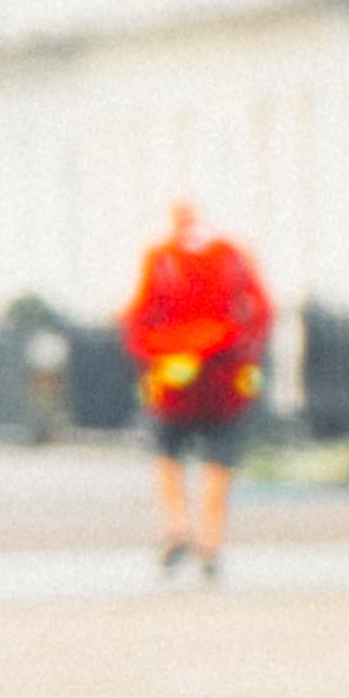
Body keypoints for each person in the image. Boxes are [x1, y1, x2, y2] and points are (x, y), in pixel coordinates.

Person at [122, 203, 273, 580]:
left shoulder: (162, 259)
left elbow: (138, 317)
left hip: (174, 381)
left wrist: (156, 355)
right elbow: (261, 310)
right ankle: (210, 543)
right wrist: (244, 352)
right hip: (225, 379)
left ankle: (177, 527)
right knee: (219, 462)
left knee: (167, 455)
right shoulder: (232, 256)